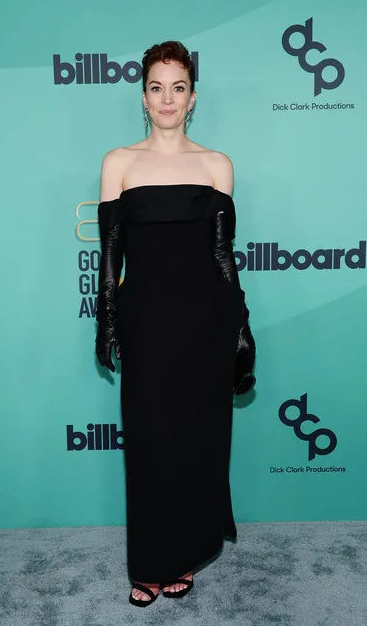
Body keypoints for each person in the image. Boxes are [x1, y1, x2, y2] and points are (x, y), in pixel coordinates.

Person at [95, 40, 256, 608]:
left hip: (205, 325)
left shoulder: (217, 165)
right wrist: (106, 320)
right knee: (148, 441)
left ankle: (183, 555)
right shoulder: (119, 162)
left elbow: (223, 257)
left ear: (192, 99)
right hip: (145, 322)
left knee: (196, 442)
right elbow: (110, 253)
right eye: (157, 87)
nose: (167, 98)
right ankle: (148, 563)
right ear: (144, 97)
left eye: (178, 87)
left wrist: (241, 326)